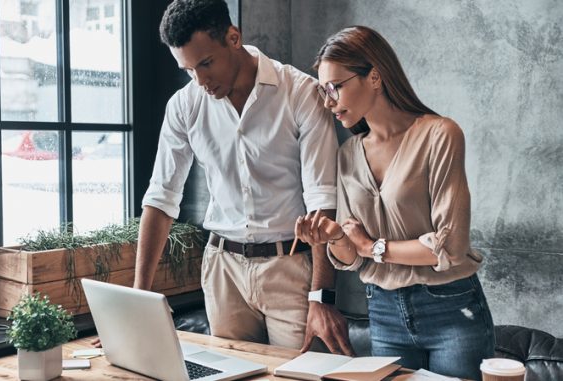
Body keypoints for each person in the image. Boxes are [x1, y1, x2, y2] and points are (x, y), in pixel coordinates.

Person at [90, 0, 354, 354]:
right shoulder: (184, 106)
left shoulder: (300, 92)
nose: (200, 81)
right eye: (188, 70)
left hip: (288, 268)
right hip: (221, 269)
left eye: (206, 63)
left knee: (298, 376)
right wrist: (140, 298)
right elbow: (160, 199)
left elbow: (323, 200)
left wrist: (322, 296)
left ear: (233, 37)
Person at [294, 26, 494, 380]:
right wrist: (333, 238)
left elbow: (450, 246)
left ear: (374, 76)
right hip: (383, 310)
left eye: (334, 88)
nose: (327, 102)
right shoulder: (347, 154)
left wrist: (372, 247)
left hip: (450, 309)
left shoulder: (440, 134)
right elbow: (350, 258)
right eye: (322, 90)